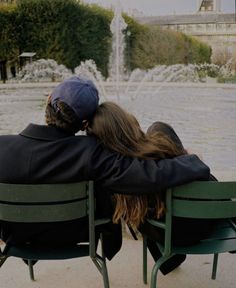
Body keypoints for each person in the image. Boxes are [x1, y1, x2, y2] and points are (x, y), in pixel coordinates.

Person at [0, 77, 210, 262]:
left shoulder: (2, 147)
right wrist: (193, 161)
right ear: (84, 124)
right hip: (74, 239)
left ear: (48, 100)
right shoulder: (91, 152)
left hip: (17, 240)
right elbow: (149, 175)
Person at [88, 101, 215, 274]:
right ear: (125, 124)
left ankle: (168, 260)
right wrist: (188, 157)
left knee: (137, 206)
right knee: (159, 128)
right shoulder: (160, 148)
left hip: (167, 235)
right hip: (206, 225)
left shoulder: (110, 174)